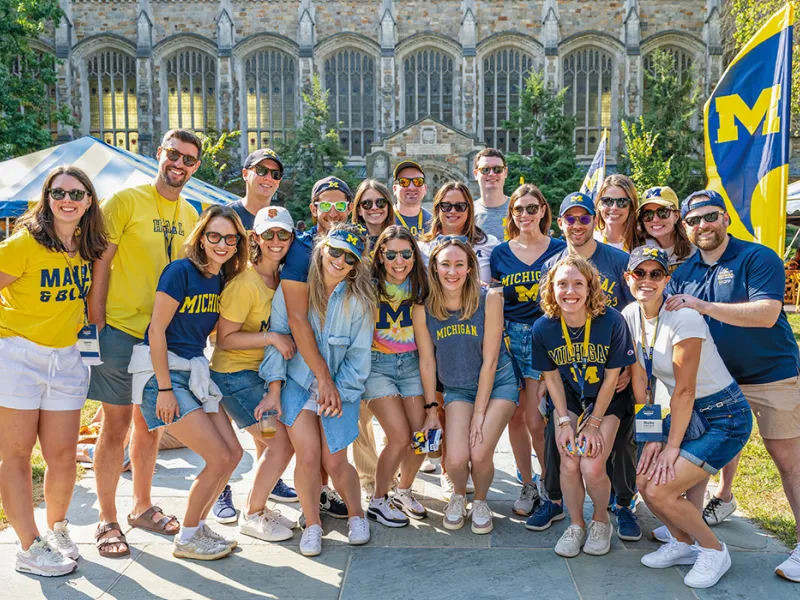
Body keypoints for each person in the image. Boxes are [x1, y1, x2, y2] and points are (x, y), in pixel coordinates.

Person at [666, 190, 800, 582]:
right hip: (715, 381)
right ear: (685, 227)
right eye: (693, 221)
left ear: (725, 218)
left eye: (709, 217)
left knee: (787, 460)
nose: (702, 226)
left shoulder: (757, 257)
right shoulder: (685, 271)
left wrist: (702, 306)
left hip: (770, 375)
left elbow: (767, 312)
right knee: (701, 457)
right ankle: (692, 536)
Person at [87, 129, 202, 558]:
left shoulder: (192, 214)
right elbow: (101, 262)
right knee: (113, 427)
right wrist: (95, 321)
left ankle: (141, 506)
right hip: (120, 330)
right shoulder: (123, 201)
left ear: (195, 167)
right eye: (174, 154)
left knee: (150, 425)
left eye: (189, 159)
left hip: (163, 337)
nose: (180, 164)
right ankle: (106, 519)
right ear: (159, 154)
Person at [622, 246, 752, 589]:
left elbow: (684, 390)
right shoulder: (629, 316)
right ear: (628, 278)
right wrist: (651, 437)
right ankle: (683, 542)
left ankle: (713, 550)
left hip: (725, 416)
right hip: (689, 413)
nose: (647, 280)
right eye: (640, 273)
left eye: (655, 274)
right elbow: (641, 384)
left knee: (661, 488)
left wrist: (670, 447)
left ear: (667, 279)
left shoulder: (685, 318)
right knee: (644, 481)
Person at [0, 166, 107, 576]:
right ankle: (28, 546)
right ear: (47, 198)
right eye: (59, 192)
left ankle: (58, 529)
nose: (68, 200)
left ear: (88, 202)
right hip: (19, 358)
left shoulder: (86, 244)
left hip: (67, 358)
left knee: (62, 455)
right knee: (17, 454)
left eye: (77, 194)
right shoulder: (24, 244)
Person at [130, 205, 247, 561]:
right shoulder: (180, 271)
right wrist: (165, 388)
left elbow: (206, 329)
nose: (222, 243)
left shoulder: (221, 279)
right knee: (216, 456)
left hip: (194, 370)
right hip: (162, 373)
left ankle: (198, 525)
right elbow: (156, 331)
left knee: (234, 454)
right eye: (215, 236)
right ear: (202, 237)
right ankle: (187, 536)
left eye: (230, 238)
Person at [530, 192, 640, 542]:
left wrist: (592, 423)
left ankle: (604, 519)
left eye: (578, 284)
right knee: (568, 460)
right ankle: (576, 525)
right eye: (562, 284)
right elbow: (550, 374)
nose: (569, 290)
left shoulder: (611, 318)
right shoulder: (545, 326)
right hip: (573, 397)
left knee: (593, 462)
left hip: (609, 394)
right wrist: (563, 419)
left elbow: (612, 377)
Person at [259, 224, 375, 556]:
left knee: (336, 460)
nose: (339, 261)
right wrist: (274, 387)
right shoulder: (295, 288)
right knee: (308, 456)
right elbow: (278, 339)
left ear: (355, 265)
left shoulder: (359, 301)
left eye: (349, 257)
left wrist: (338, 391)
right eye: (335, 251)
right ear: (323, 248)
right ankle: (312, 524)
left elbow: (359, 354)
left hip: (340, 389)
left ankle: (357, 515)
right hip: (297, 384)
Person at [413, 237, 519, 534]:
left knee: (480, 451)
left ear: (471, 267)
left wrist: (480, 414)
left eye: (460, 264)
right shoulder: (424, 307)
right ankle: (458, 496)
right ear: (433, 267)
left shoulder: (490, 299)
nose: (452, 271)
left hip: (497, 383)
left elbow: (490, 360)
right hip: (457, 388)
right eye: (445, 264)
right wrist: (432, 410)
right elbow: (427, 362)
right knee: (457, 458)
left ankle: (481, 501)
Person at [213, 148, 297, 517]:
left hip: (262, 371)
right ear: (255, 237)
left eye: (284, 235)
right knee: (278, 445)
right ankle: (252, 511)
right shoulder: (244, 282)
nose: (276, 241)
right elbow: (223, 338)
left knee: (271, 440)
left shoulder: (283, 279)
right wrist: (272, 338)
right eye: (269, 234)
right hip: (234, 373)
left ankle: (265, 488)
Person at [280, 176, 354, 520]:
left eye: (341, 204)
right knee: (306, 447)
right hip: (303, 360)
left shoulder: (357, 245)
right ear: (313, 209)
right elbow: (297, 318)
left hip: (347, 358)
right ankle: (311, 497)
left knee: (335, 446)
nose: (334, 211)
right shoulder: (302, 249)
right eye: (326, 204)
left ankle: (328, 495)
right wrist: (323, 377)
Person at [490, 184, 566, 518]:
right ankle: (528, 484)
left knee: (537, 419)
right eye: (519, 209)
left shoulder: (561, 251)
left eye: (532, 208)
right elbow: (494, 301)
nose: (525, 215)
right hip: (509, 337)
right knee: (517, 415)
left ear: (543, 212)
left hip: (544, 337)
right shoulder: (500, 253)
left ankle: (552, 487)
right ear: (511, 215)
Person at [364, 226, 432, 527]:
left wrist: (431, 404)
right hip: (377, 365)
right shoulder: (366, 284)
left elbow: (425, 344)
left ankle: (403, 490)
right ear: (380, 255)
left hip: (411, 364)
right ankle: (378, 500)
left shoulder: (421, 286)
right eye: (391, 254)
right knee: (399, 436)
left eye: (406, 253)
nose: (399, 261)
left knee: (421, 438)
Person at [420, 181, 499, 284]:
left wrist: (485, 289)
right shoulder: (423, 248)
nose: (453, 211)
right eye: (446, 206)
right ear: (437, 209)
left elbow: (501, 287)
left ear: (469, 210)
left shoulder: (489, 244)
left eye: (460, 206)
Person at [637, 186, 695, 272]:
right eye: (647, 214)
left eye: (663, 212)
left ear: (676, 216)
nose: (655, 219)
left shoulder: (696, 246)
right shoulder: (637, 248)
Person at [229, 148, 284, 230]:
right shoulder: (227, 216)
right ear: (245, 174)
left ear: (279, 181)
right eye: (261, 170)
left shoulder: (281, 222)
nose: (268, 178)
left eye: (276, 174)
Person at [593, 174, 640, 252]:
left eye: (622, 201)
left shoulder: (644, 243)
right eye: (607, 201)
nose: (614, 207)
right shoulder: (590, 242)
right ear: (599, 205)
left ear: (631, 207)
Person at [473, 148, 510, 241]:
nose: (492, 174)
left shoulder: (520, 210)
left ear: (505, 172)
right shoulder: (467, 213)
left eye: (498, 169)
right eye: (485, 169)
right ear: (476, 173)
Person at [351, 179, 396, 249]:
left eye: (380, 202)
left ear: (388, 206)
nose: (374, 207)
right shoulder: (349, 240)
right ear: (359, 210)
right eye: (367, 203)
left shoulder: (399, 238)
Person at [393, 161, 433, 239]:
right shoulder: (383, 220)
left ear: (425, 189)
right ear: (395, 189)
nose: (411, 187)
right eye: (404, 182)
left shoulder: (434, 223)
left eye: (418, 181)